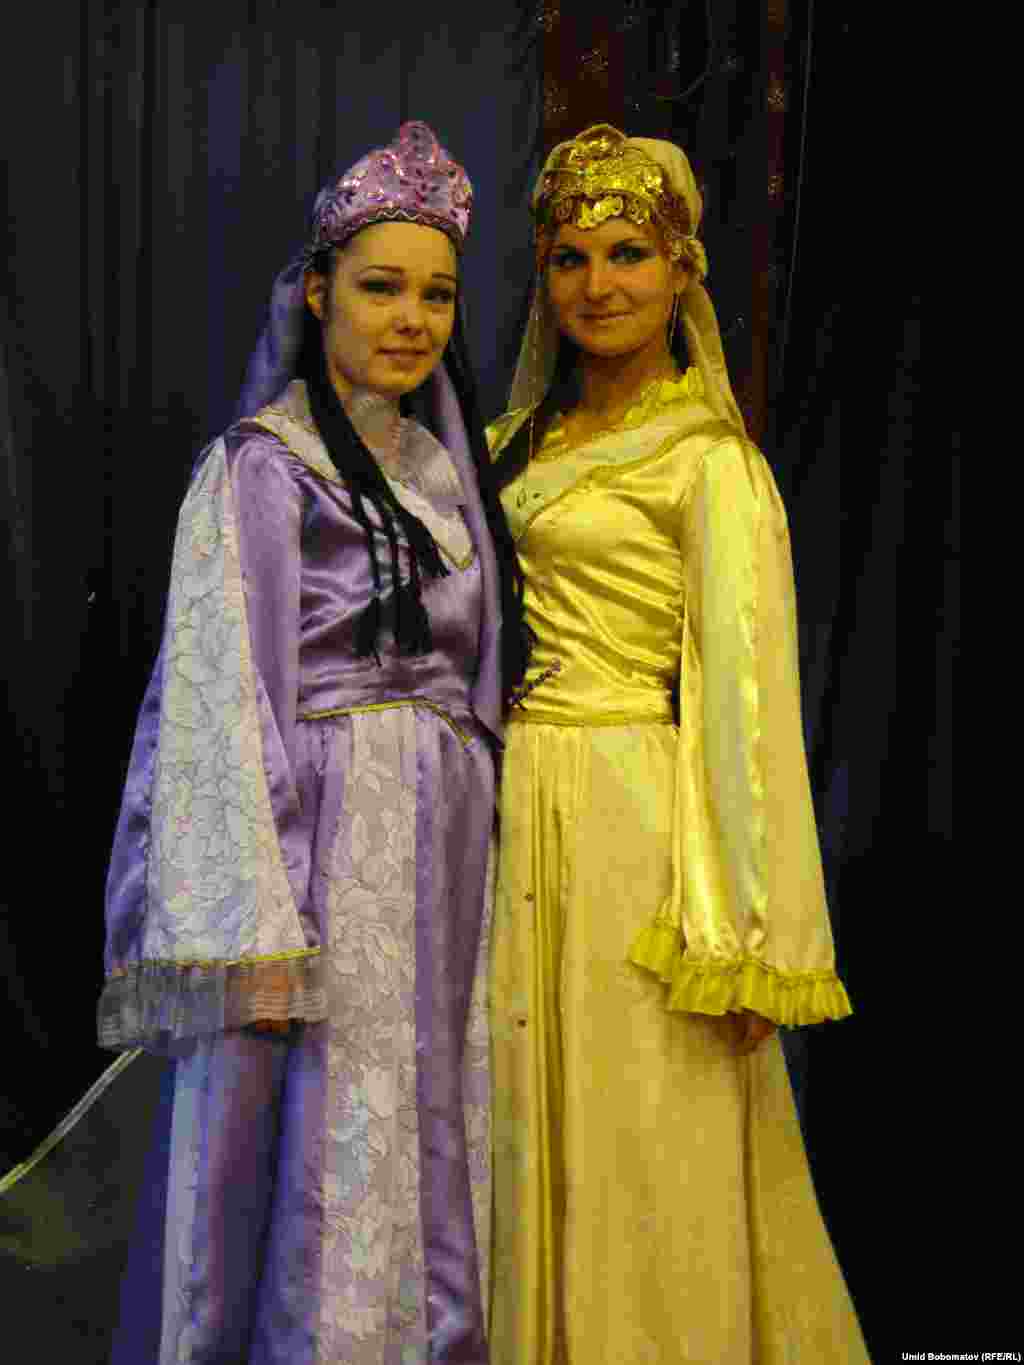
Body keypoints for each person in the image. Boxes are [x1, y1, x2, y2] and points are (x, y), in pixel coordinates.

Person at [98, 121, 532, 1364]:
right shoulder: (262, 469)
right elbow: (222, 698)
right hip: (327, 841)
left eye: (436, 294)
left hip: (443, 849)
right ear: (317, 292)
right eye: (381, 287)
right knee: (307, 1131)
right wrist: (258, 918)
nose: (412, 319)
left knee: (427, 1114)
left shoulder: (446, 476)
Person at [485, 124, 871, 1363]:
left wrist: (745, 933)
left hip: (633, 820)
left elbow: (746, 707)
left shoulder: (710, 464)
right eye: (570, 258)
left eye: (628, 254)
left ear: (680, 270)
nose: (598, 285)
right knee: (511, 1122)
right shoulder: (509, 448)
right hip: (502, 813)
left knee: (640, 1126)